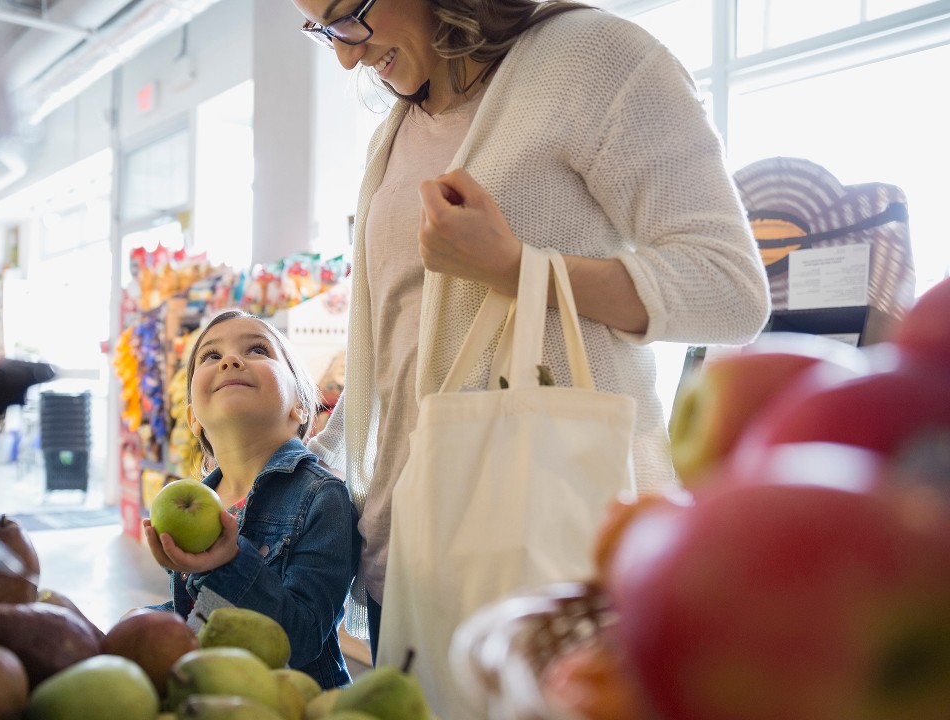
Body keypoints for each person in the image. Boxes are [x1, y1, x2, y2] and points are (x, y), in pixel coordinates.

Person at [291, 0, 773, 659]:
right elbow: (397, 350)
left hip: (540, 564)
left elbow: (731, 289)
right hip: (399, 564)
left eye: (348, 14)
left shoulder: (593, 60)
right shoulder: (395, 132)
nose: (346, 54)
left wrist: (518, 268)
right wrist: (296, 479)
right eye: (322, 31)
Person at [142, 309, 362, 689]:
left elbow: (302, 637)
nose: (231, 359)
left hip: (292, 702)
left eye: (258, 349)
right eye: (211, 356)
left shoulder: (322, 498)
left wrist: (229, 562)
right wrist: (146, 625)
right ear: (195, 419)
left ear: (300, 406)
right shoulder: (196, 502)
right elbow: (202, 618)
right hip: (214, 693)